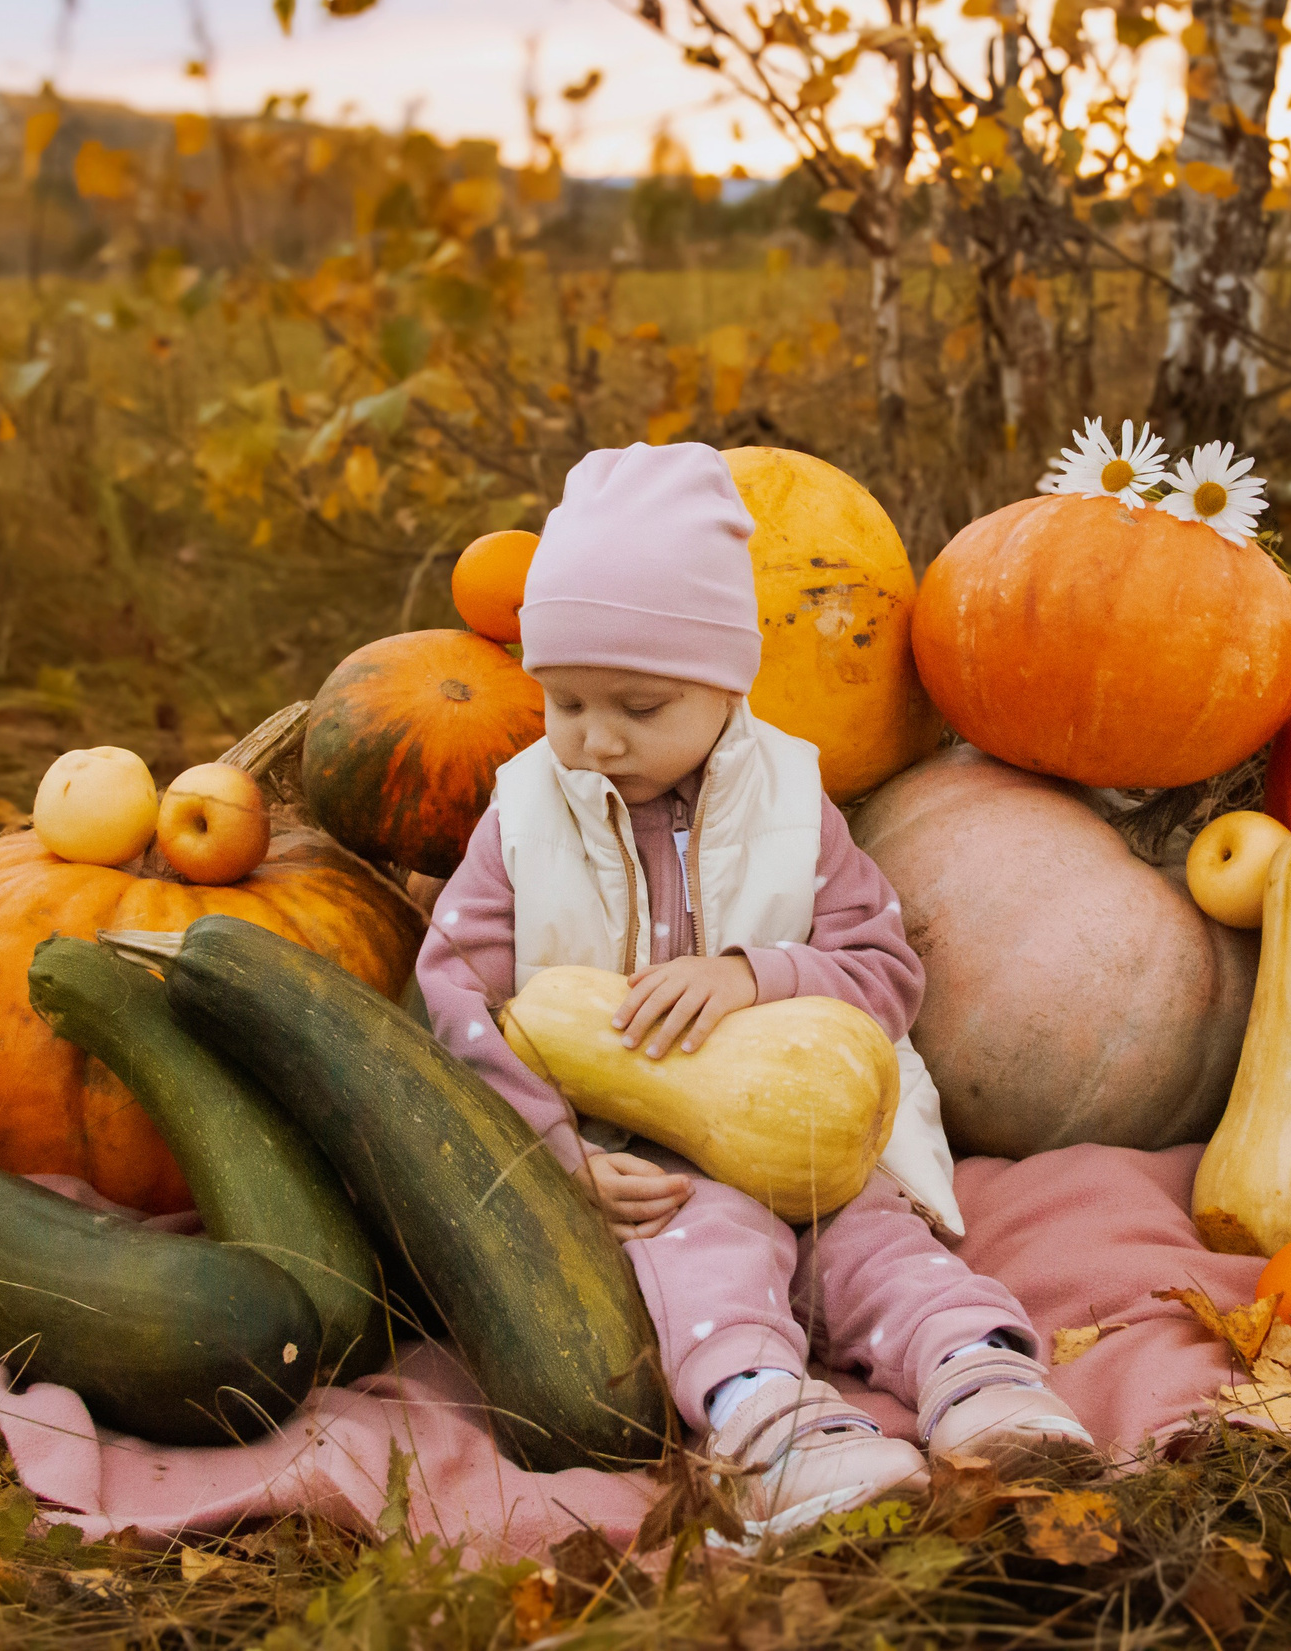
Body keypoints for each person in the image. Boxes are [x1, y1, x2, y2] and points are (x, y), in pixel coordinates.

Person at [415, 441, 1092, 1539]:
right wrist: (553, 1154)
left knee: (878, 1248)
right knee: (705, 1255)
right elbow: (454, 1002)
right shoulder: (524, 817)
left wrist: (754, 974)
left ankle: (979, 1376)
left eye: (639, 705)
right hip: (641, 1150)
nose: (596, 737)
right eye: (565, 700)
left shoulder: (791, 800)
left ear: (726, 683)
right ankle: (769, 1427)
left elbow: (884, 971)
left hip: (821, 1125)